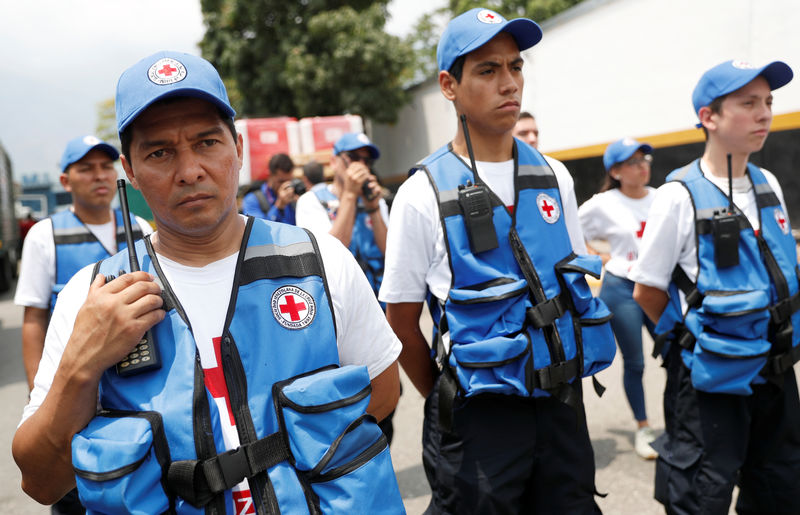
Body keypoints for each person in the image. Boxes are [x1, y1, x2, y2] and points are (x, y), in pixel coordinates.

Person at [12, 51, 404, 514]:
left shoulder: (318, 261)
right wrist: (82, 364)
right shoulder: (91, 294)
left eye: (207, 143)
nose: (190, 170)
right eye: (160, 152)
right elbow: (41, 481)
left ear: (237, 148)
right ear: (131, 172)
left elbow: (382, 393)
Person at [379, 8, 616, 513]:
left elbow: (569, 283)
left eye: (516, 66)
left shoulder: (555, 176)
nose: (509, 83)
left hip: (560, 407)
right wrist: (450, 398)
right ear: (449, 85)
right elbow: (400, 322)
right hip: (477, 419)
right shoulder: (421, 194)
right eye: (488, 70)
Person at [631, 60, 800, 514]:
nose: (764, 114)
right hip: (712, 381)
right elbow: (647, 290)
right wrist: (687, 343)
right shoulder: (678, 195)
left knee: (781, 488)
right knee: (702, 496)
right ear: (709, 117)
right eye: (748, 103)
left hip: (777, 373)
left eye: (768, 102)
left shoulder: (768, 182)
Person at [13, 134, 152, 515]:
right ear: (65, 181)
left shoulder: (138, 226)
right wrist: (38, 396)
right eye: (85, 169)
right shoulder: (47, 235)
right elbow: (34, 318)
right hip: (74, 395)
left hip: (136, 394)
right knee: (77, 492)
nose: (99, 176)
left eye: (105, 167)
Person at [578, 138, 658, 460]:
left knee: (677, 351)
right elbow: (571, 231)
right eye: (633, 162)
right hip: (621, 288)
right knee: (636, 362)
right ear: (615, 171)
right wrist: (599, 259)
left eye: (644, 160)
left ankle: (684, 421)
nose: (642, 166)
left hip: (657, 287)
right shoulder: (602, 203)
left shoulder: (661, 197)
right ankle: (644, 428)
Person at [296, 132, 389, 301]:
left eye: (366, 161)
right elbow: (327, 255)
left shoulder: (374, 199)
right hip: (340, 300)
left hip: (378, 298)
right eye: (353, 158)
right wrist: (350, 195)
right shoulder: (312, 201)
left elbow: (390, 253)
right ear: (334, 162)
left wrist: (374, 209)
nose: (360, 165)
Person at [513, 111, 584, 235]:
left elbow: (573, 231)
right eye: (523, 133)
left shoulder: (556, 169)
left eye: (535, 133)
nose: (532, 139)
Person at [241, 152, 298, 224]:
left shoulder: (293, 197)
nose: (286, 185)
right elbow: (259, 229)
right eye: (281, 181)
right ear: (270, 175)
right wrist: (279, 207)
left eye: (289, 181)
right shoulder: (252, 200)